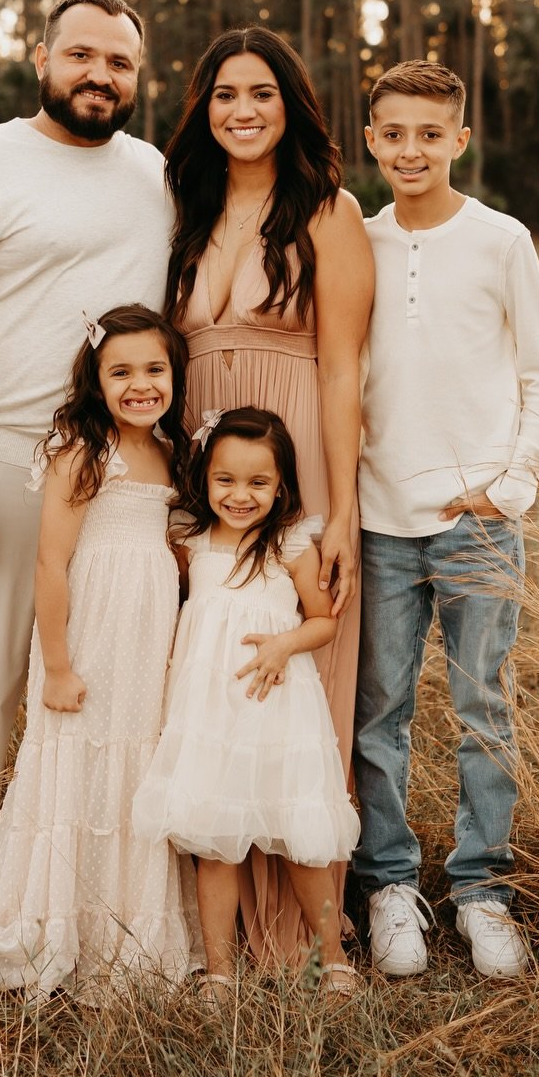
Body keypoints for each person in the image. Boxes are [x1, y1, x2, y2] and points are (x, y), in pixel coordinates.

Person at [0, 0, 172, 953]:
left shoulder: (154, 174)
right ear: (42, 58)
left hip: (120, 463)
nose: (100, 75)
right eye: (82, 55)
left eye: (120, 62)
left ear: (138, 77)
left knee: (105, 678)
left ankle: (79, 883)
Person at [352, 60, 539, 982]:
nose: (412, 150)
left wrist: (510, 485)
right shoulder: (356, 241)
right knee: (378, 712)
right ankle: (389, 885)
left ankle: (482, 889)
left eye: (430, 135)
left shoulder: (501, 240)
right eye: (395, 134)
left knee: (483, 708)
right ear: (371, 140)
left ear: (460, 141)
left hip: (476, 519)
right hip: (378, 518)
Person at [162, 26, 372, 961]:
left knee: (296, 672)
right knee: (209, 663)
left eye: (261, 94)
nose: (242, 111)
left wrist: (341, 513)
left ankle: (301, 926)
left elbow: (343, 369)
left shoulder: (327, 210)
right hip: (206, 463)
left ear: (291, 106)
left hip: (298, 454)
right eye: (224, 95)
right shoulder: (186, 209)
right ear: (202, 110)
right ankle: (211, 919)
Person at [0, 306, 195, 999]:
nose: (140, 385)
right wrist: (56, 665)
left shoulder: (169, 452)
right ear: (96, 380)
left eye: (155, 369)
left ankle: (121, 929)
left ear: (175, 375)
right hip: (90, 632)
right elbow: (52, 564)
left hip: (145, 633)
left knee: (135, 760)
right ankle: (49, 921)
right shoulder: (85, 451)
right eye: (121, 372)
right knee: (79, 758)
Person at [134, 407, 360, 998]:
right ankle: (219, 970)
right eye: (225, 480)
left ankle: (331, 958)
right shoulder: (191, 542)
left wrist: (285, 643)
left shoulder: (289, 544)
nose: (240, 495)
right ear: (205, 478)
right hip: (209, 711)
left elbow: (323, 622)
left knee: (301, 841)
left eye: (258, 482)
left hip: (276, 708)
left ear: (281, 485)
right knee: (215, 843)